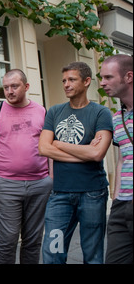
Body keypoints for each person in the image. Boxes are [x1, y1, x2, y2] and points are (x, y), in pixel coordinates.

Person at [39, 61, 113, 264]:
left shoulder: (101, 113)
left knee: (93, 254)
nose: (66, 84)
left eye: (71, 79)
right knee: (53, 252)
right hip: (60, 194)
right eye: (64, 80)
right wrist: (85, 151)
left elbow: (98, 154)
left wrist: (58, 143)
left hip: (92, 193)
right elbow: (44, 148)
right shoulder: (54, 112)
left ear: (87, 81)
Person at [0, 69, 52, 264]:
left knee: (33, 240)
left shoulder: (42, 111)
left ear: (26, 87)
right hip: (6, 185)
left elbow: (49, 145)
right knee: (7, 239)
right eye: (6, 87)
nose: (9, 91)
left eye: (14, 86)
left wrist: (51, 178)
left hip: (40, 184)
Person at [99, 54, 133, 264]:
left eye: (108, 77)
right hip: (123, 206)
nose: (102, 83)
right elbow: (122, 159)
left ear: (129, 76)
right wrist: (117, 197)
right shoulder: (117, 118)